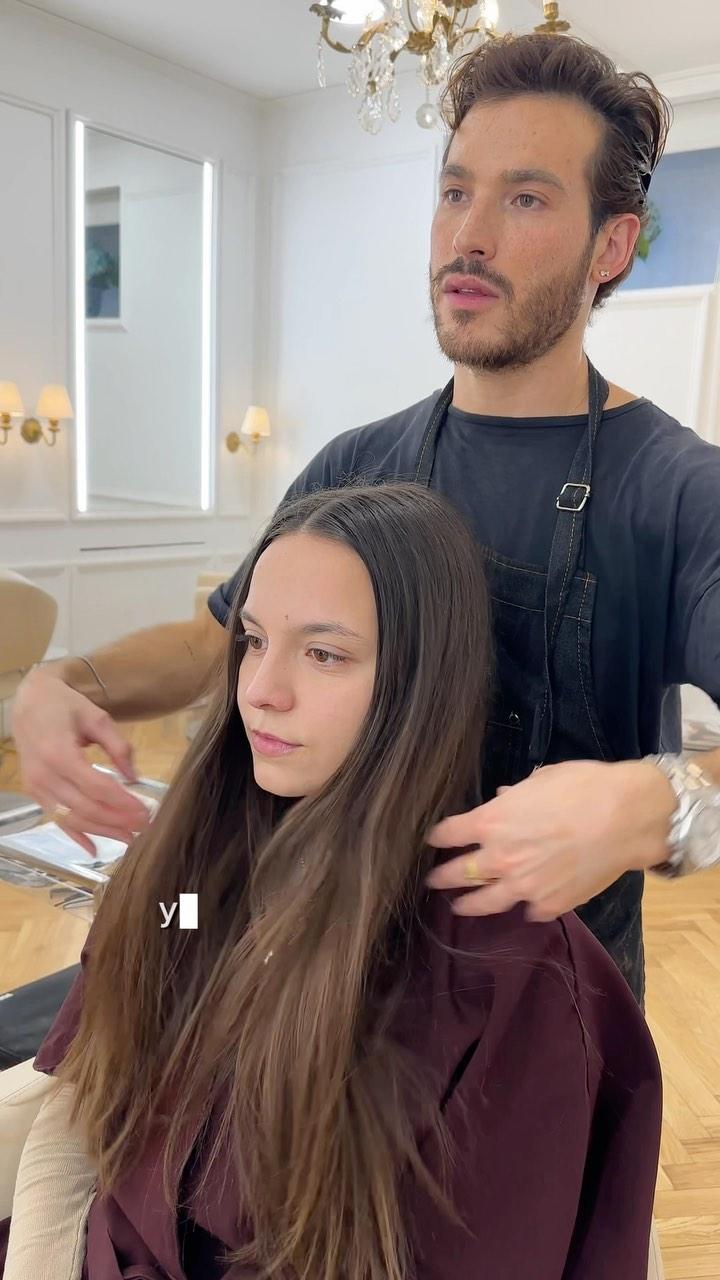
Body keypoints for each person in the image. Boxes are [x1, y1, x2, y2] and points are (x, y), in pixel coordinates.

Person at [1, 485, 662, 1280]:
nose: (260, 690)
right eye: (251, 640)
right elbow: (89, 1083)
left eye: (324, 653)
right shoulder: (196, 882)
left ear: (420, 682)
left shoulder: (506, 977)